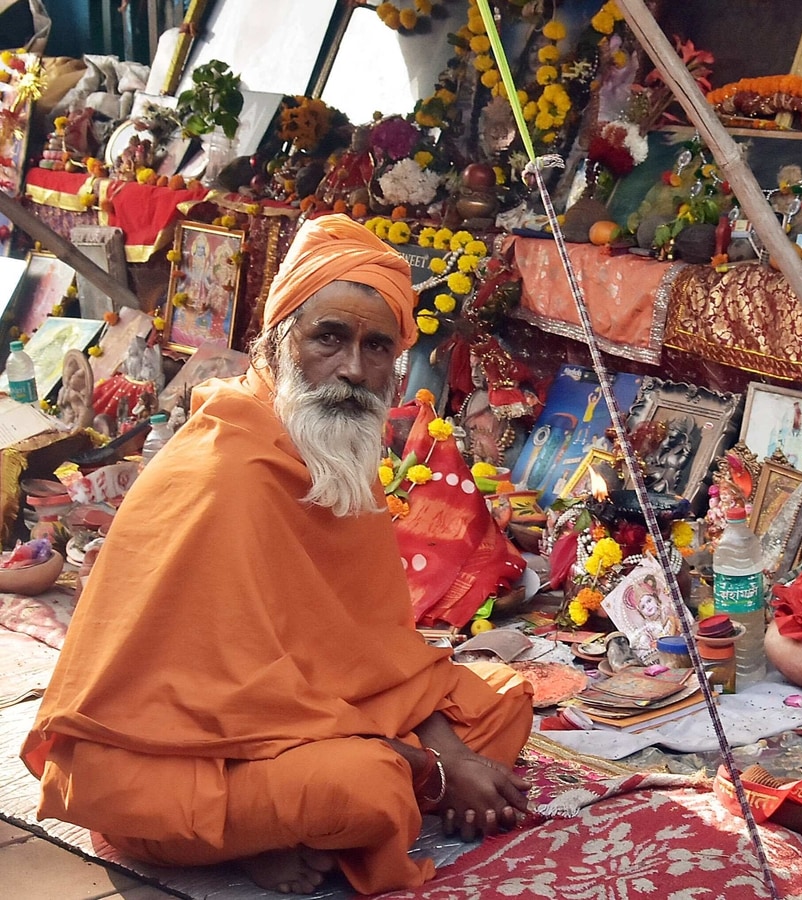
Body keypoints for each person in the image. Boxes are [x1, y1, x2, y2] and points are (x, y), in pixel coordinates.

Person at [22, 215, 535, 896]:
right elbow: (225, 703)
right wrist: (427, 768)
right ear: (275, 343)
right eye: (329, 337)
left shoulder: (337, 455)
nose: (353, 369)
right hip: (175, 763)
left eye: (377, 347)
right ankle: (241, 840)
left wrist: (446, 754)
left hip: (307, 727)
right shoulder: (224, 472)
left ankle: (296, 820)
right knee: (366, 787)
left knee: (504, 700)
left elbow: (380, 656)